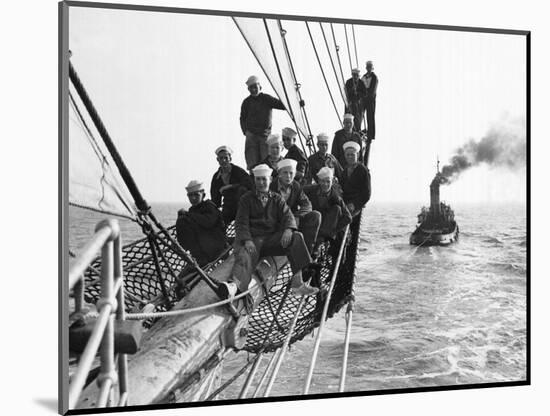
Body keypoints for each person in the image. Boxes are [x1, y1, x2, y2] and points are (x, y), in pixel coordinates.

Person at [219, 164, 319, 303]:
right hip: (253, 240)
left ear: (270, 179)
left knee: (297, 237)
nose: (261, 183)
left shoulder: (277, 199)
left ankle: (297, 283)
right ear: (254, 180)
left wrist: (289, 230)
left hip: (271, 240)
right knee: (244, 257)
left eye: (264, 179)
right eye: (258, 179)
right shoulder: (246, 199)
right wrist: (247, 240)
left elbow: (288, 216)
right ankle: (233, 287)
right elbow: (241, 223)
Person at [270, 159, 321, 254]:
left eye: (291, 173)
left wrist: (298, 216)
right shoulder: (271, 188)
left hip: (293, 219)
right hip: (277, 224)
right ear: (279, 173)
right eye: (285, 173)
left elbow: (307, 204)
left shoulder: (295, 186)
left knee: (315, 216)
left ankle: (308, 252)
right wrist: (289, 226)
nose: (288, 176)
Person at [176, 180, 228, 266]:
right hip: (201, 251)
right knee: (182, 221)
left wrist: (187, 215)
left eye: (196, 195)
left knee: (184, 220)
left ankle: (200, 259)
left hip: (216, 248)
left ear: (203, 195)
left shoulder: (209, 206)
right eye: (190, 195)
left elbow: (208, 222)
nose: (193, 198)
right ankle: (188, 253)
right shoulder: (192, 211)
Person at [240, 75, 286, 170]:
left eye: (255, 87)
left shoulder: (267, 99)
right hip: (251, 136)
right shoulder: (246, 102)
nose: (253, 90)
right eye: (251, 88)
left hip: (265, 136)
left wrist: (294, 100)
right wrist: (245, 131)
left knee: (267, 162)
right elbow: (242, 118)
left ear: (260, 87)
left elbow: (283, 105)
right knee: (252, 162)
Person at [304, 167, 351, 243]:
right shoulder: (309, 190)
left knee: (337, 208)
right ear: (318, 181)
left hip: (325, 230)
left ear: (332, 182)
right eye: (322, 181)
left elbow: (348, 217)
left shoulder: (336, 198)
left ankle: (320, 243)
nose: (325, 184)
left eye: (328, 181)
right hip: (311, 224)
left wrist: (334, 230)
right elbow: (297, 193)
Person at [210, 145, 254, 224]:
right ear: (217, 160)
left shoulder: (238, 171)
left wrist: (231, 186)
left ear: (230, 159)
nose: (223, 160)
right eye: (221, 158)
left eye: (226, 158)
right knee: (219, 224)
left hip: (242, 206)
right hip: (228, 207)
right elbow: (215, 199)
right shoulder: (216, 177)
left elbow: (249, 184)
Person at [340, 142, 371, 217]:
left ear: (358, 155)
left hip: (355, 206)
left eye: (352, 155)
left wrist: (355, 204)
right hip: (344, 204)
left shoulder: (362, 170)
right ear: (345, 156)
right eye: (348, 155)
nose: (350, 157)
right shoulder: (345, 171)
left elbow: (367, 193)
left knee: (344, 219)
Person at [361, 61, 378, 141]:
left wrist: (366, 93)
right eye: (367, 67)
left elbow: (373, 89)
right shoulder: (364, 77)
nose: (368, 68)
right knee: (360, 114)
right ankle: (358, 129)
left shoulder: (374, 77)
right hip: (363, 99)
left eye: (370, 67)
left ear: (372, 68)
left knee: (370, 116)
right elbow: (360, 85)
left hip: (370, 99)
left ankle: (371, 134)